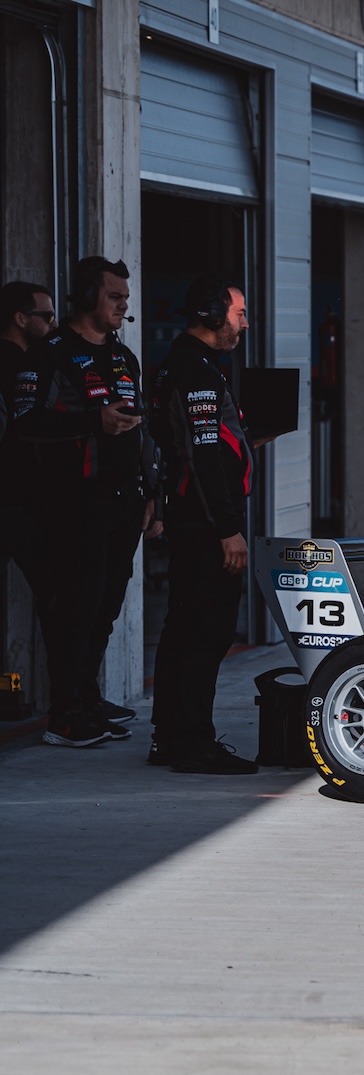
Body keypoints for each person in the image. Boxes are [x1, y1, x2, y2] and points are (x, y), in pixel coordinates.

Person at [11, 256, 157, 747]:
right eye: (114, 296)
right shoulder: (49, 354)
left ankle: (86, 699)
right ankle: (65, 715)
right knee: (76, 609)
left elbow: (141, 432)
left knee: (105, 608)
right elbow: (24, 423)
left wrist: (150, 491)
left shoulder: (123, 356)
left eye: (125, 298)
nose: (123, 305)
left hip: (124, 502)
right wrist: (92, 421)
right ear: (88, 296)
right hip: (71, 504)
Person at [146, 276, 257, 774]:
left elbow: (189, 444)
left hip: (191, 517)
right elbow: (204, 455)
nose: (245, 323)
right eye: (239, 313)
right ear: (212, 314)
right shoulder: (197, 371)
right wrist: (228, 529)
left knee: (182, 627)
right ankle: (193, 743)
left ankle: (170, 737)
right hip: (207, 525)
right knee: (207, 633)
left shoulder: (185, 364)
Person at [0, 281, 56, 595]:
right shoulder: (23, 368)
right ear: (20, 318)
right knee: (56, 591)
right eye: (47, 317)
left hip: (16, 495)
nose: (54, 324)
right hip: (19, 496)